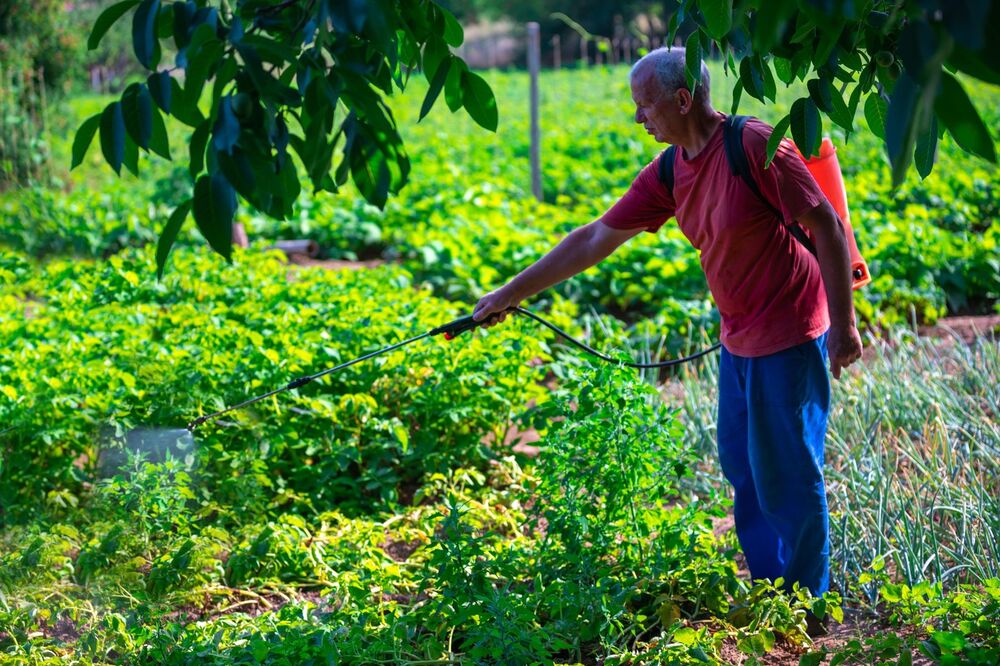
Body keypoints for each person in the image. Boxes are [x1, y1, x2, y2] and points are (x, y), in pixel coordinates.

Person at [471, 48, 863, 607]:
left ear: (682, 100)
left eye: (645, 105)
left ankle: (809, 603)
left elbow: (826, 225)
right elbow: (595, 237)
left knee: (788, 475)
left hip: (792, 332)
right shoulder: (670, 169)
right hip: (738, 338)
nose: (638, 118)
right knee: (744, 467)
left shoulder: (755, 145)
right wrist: (510, 293)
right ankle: (772, 591)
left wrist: (844, 326)